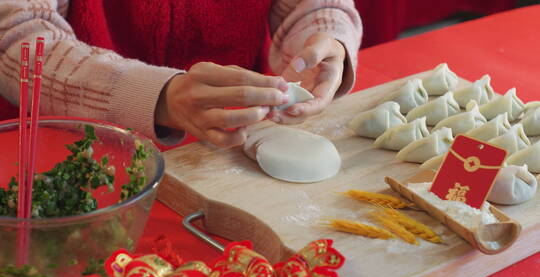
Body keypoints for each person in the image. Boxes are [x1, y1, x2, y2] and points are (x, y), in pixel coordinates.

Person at [0, 0, 362, 147]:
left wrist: (327, 33)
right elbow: (16, 33)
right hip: (74, 144)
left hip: (234, 140)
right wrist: (158, 95)